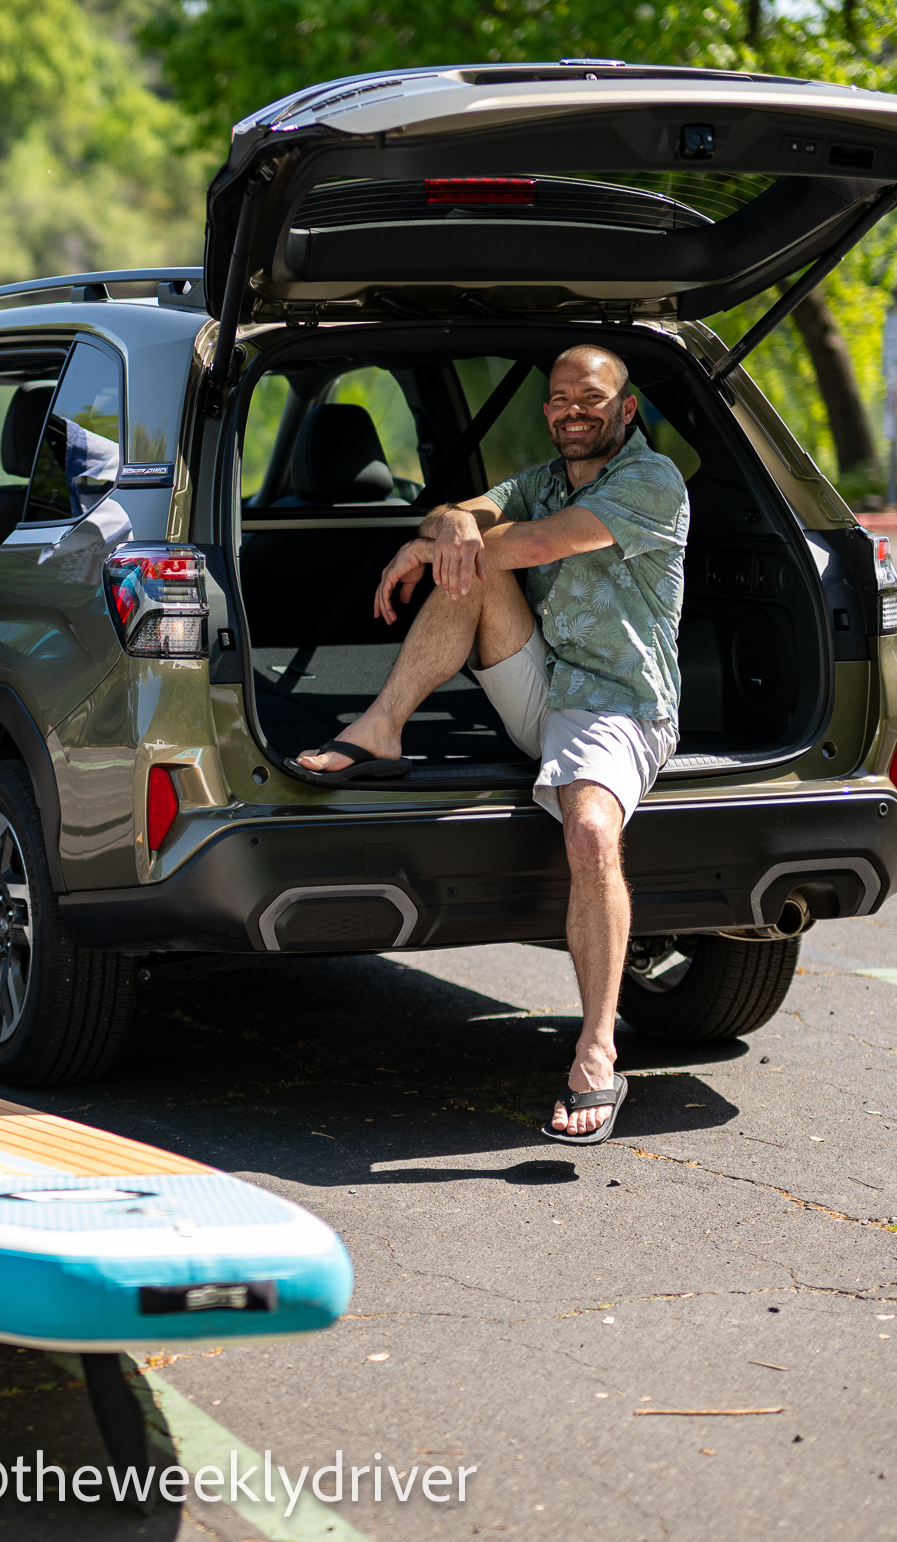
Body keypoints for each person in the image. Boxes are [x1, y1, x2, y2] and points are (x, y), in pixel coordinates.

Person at [291, 345, 690, 1144]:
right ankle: (383, 724)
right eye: (559, 398)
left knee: (589, 833)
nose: (572, 409)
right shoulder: (540, 479)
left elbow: (540, 545)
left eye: (591, 396)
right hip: (542, 688)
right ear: (546, 412)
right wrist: (442, 531)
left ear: (626, 408)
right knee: (469, 567)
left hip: (615, 708)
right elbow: (456, 513)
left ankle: (596, 1051)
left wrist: (446, 544)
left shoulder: (653, 482)